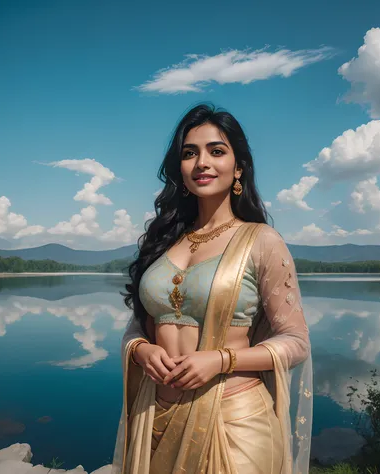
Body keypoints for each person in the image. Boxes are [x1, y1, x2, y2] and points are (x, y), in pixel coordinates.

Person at [111, 103, 313, 474]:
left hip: (233, 424)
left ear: (239, 168)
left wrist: (221, 360)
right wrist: (141, 350)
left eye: (216, 151)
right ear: (180, 169)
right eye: (190, 153)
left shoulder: (261, 241)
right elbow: (138, 325)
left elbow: (296, 343)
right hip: (155, 416)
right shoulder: (161, 243)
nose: (201, 162)